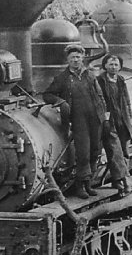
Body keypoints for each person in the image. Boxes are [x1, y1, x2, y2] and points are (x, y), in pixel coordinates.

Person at [43, 44, 107, 199]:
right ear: (68, 60)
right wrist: (61, 102)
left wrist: (103, 114)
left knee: (95, 151)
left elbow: (99, 95)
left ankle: (89, 183)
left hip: (95, 118)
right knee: (83, 153)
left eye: (78, 57)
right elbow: (47, 94)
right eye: (72, 58)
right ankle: (80, 186)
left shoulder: (89, 75)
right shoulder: (62, 78)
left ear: (82, 58)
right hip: (78, 120)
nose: (75, 60)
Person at [97, 54, 132, 194]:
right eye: (111, 64)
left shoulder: (121, 80)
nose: (113, 67)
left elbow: (127, 100)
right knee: (115, 151)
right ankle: (125, 180)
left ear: (120, 67)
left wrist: (130, 117)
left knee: (125, 151)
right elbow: (98, 101)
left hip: (122, 119)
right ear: (105, 66)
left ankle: (117, 180)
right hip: (109, 120)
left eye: (116, 65)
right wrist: (104, 119)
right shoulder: (99, 81)